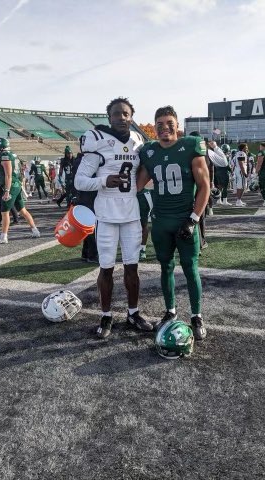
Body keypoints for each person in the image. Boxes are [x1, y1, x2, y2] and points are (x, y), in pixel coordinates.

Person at [75, 97, 153, 338]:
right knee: (106, 268)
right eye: (117, 114)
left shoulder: (138, 140)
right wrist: (103, 181)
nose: (122, 117)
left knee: (132, 267)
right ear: (109, 117)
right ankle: (106, 315)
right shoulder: (97, 140)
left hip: (130, 214)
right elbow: (79, 181)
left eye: (126, 113)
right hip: (106, 215)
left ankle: (133, 312)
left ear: (132, 117)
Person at [137, 105, 210, 341]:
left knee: (190, 267)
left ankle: (197, 315)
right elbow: (137, 184)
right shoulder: (149, 152)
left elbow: (205, 186)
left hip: (184, 220)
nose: (164, 128)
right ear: (154, 128)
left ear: (177, 126)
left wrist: (194, 219)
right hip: (160, 221)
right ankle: (170, 311)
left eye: (169, 123)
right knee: (165, 267)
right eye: (159, 124)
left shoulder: (190, 146)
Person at [0, 138, 40, 244]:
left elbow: (8, 175)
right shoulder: (12, 154)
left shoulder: (5, 156)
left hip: (11, 186)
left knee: (4, 212)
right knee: (23, 210)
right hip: (16, 184)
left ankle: (3, 237)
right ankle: (35, 231)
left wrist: (7, 191)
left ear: (1, 145)